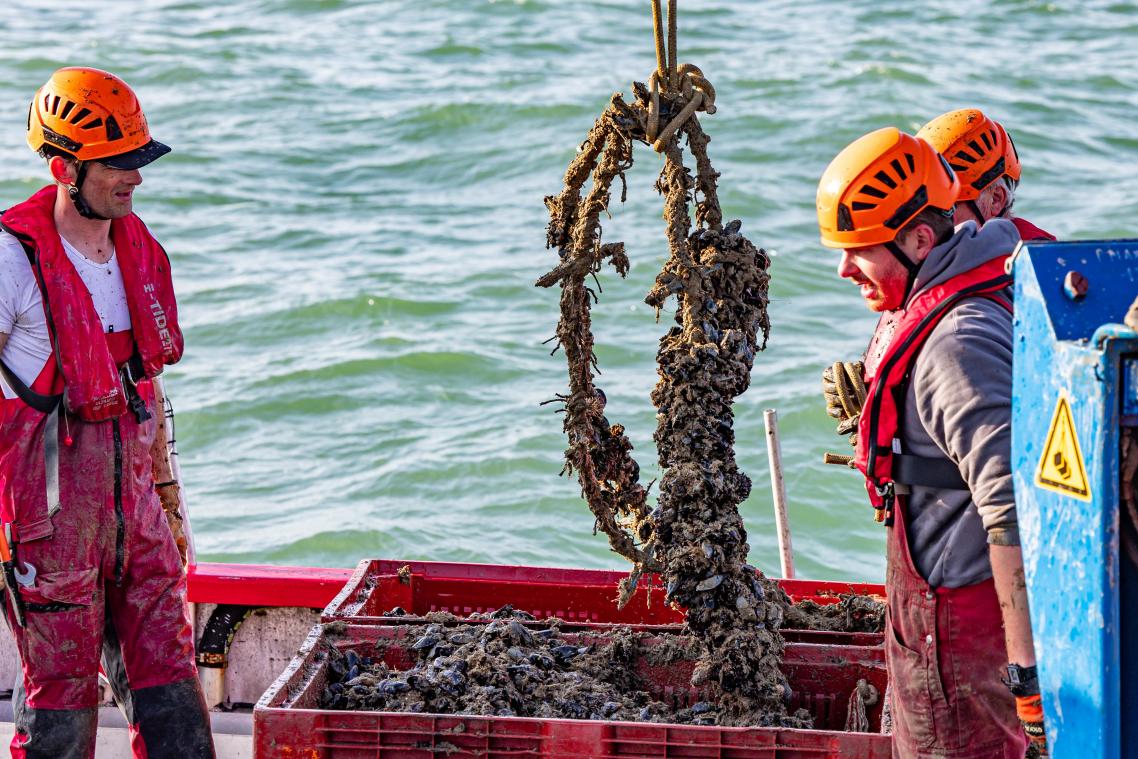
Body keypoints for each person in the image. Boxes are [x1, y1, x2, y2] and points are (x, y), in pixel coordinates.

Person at [0, 67, 214, 758]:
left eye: (138, 161)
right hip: (47, 533)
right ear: (64, 168)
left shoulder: (134, 251)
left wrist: (170, 499)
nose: (136, 179)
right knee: (60, 722)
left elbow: (146, 390)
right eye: (119, 165)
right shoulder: (12, 261)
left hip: (139, 523)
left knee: (177, 704)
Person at [815, 127, 1043, 757]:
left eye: (857, 251)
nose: (842, 269)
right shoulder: (955, 283)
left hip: (961, 638)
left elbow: (1010, 504)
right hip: (946, 620)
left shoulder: (956, 342)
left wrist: (1025, 676)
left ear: (919, 238)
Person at [917, 108, 1055, 244]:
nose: (928, 225)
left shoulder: (1038, 260)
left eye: (945, 211)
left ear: (995, 200)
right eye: (920, 211)